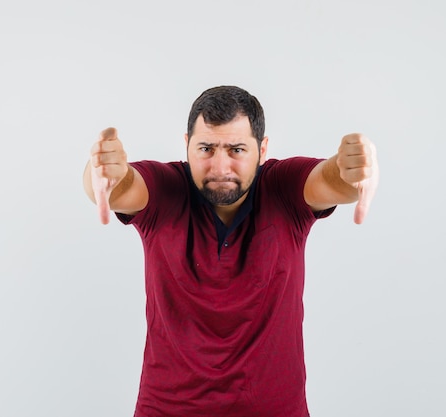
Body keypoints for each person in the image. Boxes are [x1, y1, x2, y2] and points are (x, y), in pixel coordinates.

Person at [82, 85, 379, 417]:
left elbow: (329, 179)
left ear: (262, 150)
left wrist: (350, 171)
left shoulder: (283, 187)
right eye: (206, 148)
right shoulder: (166, 188)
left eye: (237, 150)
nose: (220, 168)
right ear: (186, 145)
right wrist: (102, 174)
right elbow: (123, 186)